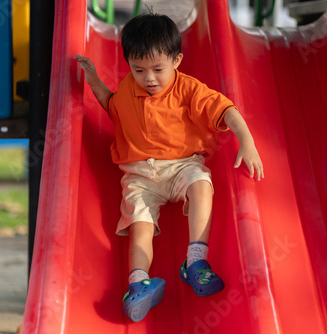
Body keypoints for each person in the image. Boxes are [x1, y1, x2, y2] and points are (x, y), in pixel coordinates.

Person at [74, 13, 263, 322]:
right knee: (140, 228)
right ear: (129, 65)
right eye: (139, 70)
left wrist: (248, 141)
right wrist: (94, 80)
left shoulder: (188, 89)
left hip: (182, 165)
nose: (149, 78)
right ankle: (137, 285)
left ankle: (195, 262)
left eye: (158, 69)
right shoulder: (128, 89)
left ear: (177, 60)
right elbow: (112, 107)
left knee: (201, 184)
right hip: (139, 175)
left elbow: (226, 110)